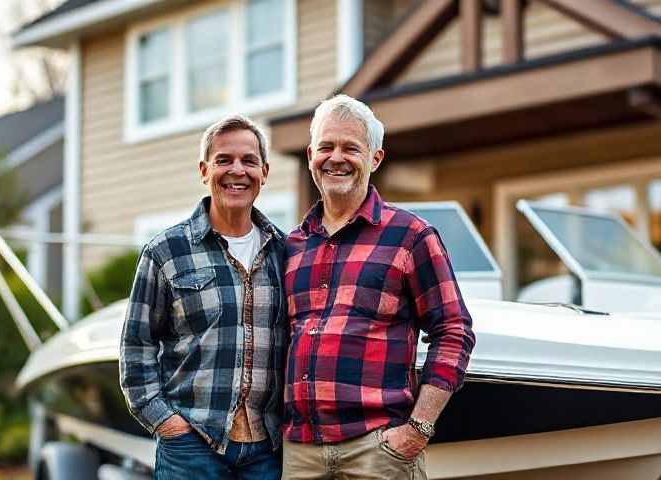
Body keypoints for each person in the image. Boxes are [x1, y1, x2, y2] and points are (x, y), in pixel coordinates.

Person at [282, 95, 476, 479]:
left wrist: (417, 429)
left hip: (379, 449)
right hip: (299, 452)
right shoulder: (291, 246)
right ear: (309, 156)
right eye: (326, 146)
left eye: (351, 148)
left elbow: (453, 331)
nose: (336, 157)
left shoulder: (411, 236)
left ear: (375, 159)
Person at [120, 115, 286, 479]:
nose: (237, 170)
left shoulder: (285, 252)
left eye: (249, 161)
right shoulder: (166, 251)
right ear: (204, 170)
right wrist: (166, 423)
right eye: (224, 160)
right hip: (191, 448)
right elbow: (137, 347)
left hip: (268, 451)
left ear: (265, 172)